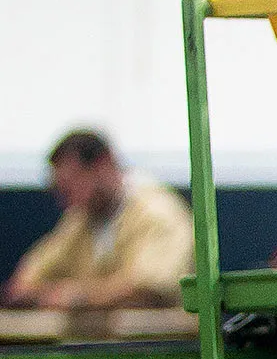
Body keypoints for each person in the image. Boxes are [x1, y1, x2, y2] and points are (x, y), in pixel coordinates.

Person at [4, 130, 194, 311]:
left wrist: (77, 296)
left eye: (75, 182)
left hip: (164, 334)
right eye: (62, 189)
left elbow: (148, 290)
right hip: (102, 335)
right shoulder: (80, 218)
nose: (67, 200)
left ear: (104, 163)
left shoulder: (158, 212)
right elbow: (22, 286)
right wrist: (57, 294)